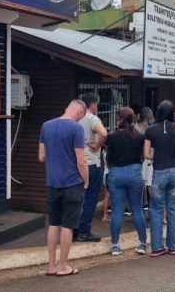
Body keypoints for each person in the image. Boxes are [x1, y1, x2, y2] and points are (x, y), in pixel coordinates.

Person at [39, 99, 88, 277]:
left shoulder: (46, 126)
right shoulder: (76, 128)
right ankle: (63, 266)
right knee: (68, 225)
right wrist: (86, 180)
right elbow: (81, 161)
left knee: (54, 223)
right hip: (72, 183)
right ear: (80, 114)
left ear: (67, 108)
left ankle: (51, 265)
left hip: (52, 183)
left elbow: (41, 157)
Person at [143, 100, 175, 256]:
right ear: (172, 112)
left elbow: (146, 154)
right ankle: (173, 246)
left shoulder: (150, 130)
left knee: (157, 210)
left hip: (159, 172)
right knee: (173, 209)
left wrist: (155, 155)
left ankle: (157, 248)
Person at [106, 107, 148, 256]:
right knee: (137, 209)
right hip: (135, 172)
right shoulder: (140, 136)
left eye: (118, 118)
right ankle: (142, 243)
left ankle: (116, 246)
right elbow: (143, 155)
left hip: (116, 173)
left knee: (117, 210)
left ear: (122, 120)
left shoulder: (111, 136)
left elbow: (108, 155)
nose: (116, 120)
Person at [74, 93, 108, 242]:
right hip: (91, 164)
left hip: (76, 163)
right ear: (93, 104)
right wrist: (98, 145)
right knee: (90, 199)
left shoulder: (76, 118)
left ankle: (73, 229)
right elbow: (104, 133)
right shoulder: (92, 118)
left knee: (77, 198)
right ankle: (84, 231)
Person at [136, 107, 155, 211]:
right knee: (150, 184)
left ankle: (142, 204)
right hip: (151, 157)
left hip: (138, 158)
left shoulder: (136, 127)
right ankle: (152, 205)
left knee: (140, 183)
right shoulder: (154, 128)